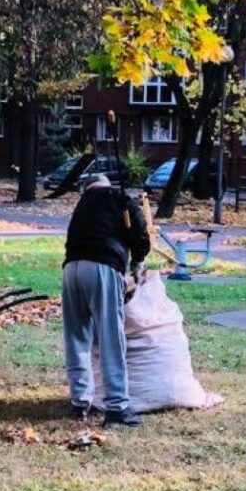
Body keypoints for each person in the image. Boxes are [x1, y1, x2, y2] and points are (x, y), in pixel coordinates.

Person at [61, 174, 151, 428]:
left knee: (76, 336)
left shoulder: (82, 203)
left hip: (71, 270)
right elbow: (139, 228)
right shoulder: (117, 196)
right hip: (102, 266)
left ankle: (80, 402)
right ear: (106, 183)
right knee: (111, 336)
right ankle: (117, 407)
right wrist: (138, 260)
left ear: (86, 187)